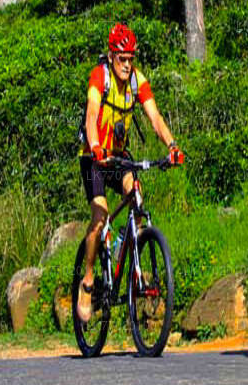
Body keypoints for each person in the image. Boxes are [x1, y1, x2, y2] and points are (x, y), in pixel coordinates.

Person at [77, 22, 180, 324]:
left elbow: (155, 117)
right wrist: (95, 145)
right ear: (111, 56)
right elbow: (92, 114)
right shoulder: (101, 77)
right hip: (94, 159)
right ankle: (88, 280)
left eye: (131, 58)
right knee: (99, 218)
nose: (127, 64)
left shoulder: (137, 81)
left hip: (119, 158)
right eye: (122, 58)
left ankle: (125, 247)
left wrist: (172, 145)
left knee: (136, 196)